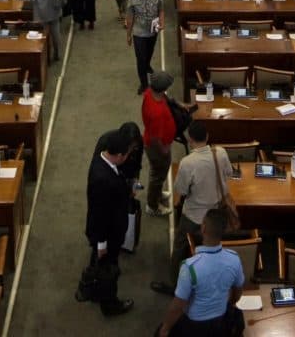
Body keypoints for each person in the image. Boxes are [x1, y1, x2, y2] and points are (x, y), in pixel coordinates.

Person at [157, 121, 234, 298]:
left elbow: (181, 190)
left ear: (190, 140)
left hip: (193, 216)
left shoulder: (187, 162)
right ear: (207, 137)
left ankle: (176, 285)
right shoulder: (220, 153)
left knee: (179, 247)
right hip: (216, 215)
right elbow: (229, 173)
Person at [154, 207, 244, 336]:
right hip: (221, 324)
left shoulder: (190, 267)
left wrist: (165, 328)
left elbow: (178, 306)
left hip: (195, 327)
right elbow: (238, 293)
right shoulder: (234, 258)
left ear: (203, 228)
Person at [80, 130, 136, 317]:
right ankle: (110, 305)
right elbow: (100, 215)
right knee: (108, 269)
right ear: (119, 156)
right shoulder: (104, 180)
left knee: (99, 262)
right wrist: (102, 244)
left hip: (104, 231)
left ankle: (95, 290)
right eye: (126, 155)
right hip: (107, 234)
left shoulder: (100, 160)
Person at [141, 71, 177, 217]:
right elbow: (156, 139)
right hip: (157, 148)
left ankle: (158, 194)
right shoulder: (157, 113)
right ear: (162, 89)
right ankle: (153, 205)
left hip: (155, 142)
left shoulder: (150, 93)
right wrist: (164, 150)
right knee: (157, 175)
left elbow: (166, 98)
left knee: (159, 174)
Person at [123, 0, 162, 93]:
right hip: (139, 33)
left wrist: (162, 24)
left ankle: (147, 65)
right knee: (140, 59)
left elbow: (161, 10)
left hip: (152, 31)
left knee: (149, 53)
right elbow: (130, 18)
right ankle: (144, 84)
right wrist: (128, 35)